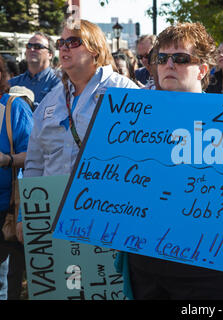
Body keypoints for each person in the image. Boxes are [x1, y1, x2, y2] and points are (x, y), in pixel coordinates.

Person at [116, 22, 223, 300]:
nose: (168, 65)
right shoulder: (131, 116)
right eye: (162, 58)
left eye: (180, 59)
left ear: (203, 69)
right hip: (145, 262)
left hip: (206, 268)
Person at [20, 19, 138, 222]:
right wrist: (26, 216)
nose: (65, 47)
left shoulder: (123, 92)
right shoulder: (50, 101)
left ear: (95, 49)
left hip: (105, 211)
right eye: (61, 42)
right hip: (52, 212)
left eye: (73, 42)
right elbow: (35, 163)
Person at [0, 55, 33, 300]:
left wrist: (7, 160)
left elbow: (34, 156)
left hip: (6, 211)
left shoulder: (14, 106)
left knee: (5, 283)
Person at [8, 32, 61, 109]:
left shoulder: (58, 83)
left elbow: (55, 112)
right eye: (28, 46)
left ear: (50, 54)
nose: (31, 49)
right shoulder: (13, 83)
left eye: (37, 46)